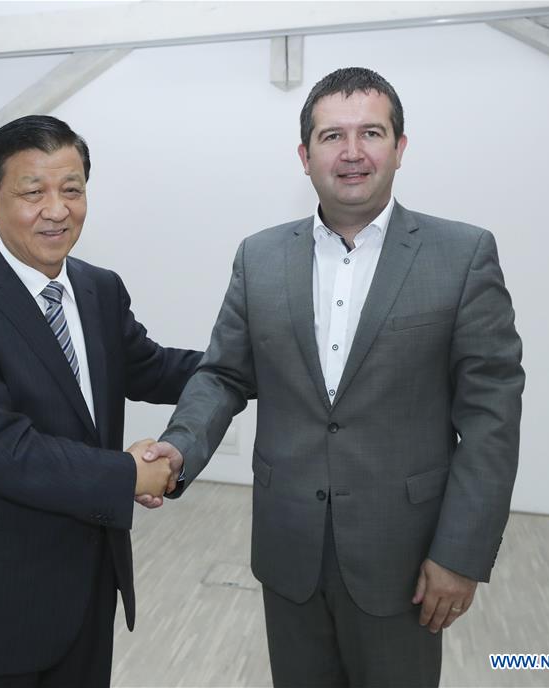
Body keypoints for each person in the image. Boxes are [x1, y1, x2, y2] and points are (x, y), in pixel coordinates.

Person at [141, 67, 524, 686]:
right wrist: (179, 448)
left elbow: (491, 419)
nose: (351, 153)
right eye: (331, 136)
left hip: (403, 556)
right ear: (304, 154)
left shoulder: (462, 255)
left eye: (371, 133)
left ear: (400, 148)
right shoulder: (259, 256)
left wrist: (461, 554)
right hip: (287, 548)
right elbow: (222, 375)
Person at [0, 114, 202, 687]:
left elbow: (152, 368)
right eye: (32, 191)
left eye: (72, 189)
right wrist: (127, 475)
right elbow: (0, 450)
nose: (57, 208)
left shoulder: (98, 288)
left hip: (89, 580)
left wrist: (258, 361)